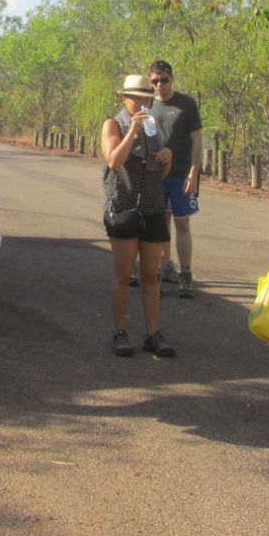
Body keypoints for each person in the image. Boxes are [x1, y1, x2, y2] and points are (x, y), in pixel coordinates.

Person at [102, 75, 174, 357]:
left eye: (147, 97)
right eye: (137, 97)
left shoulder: (153, 127)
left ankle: (152, 333)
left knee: (151, 274)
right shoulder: (114, 124)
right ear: (124, 98)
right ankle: (120, 332)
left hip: (152, 204)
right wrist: (131, 132)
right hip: (123, 203)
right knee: (123, 275)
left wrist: (166, 159)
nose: (143, 102)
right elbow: (113, 160)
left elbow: (160, 172)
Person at [149, 60, 203, 298]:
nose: (159, 85)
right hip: (156, 176)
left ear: (172, 79)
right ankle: (162, 269)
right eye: (154, 81)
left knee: (182, 224)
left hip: (181, 175)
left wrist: (194, 172)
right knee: (161, 224)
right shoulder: (147, 105)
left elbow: (198, 140)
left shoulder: (186, 104)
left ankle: (186, 275)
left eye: (163, 80)